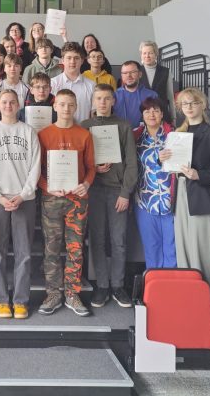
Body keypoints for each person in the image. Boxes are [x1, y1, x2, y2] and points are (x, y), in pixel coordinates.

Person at [0, 90, 41, 319]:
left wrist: (23, 195)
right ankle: (1, 300)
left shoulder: (28, 132)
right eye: (4, 102)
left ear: (18, 105)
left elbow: (35, 167)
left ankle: (21, 300)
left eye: (12, 102)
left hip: (24, 199)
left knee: (24, 252)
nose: (8, 105)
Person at [162, 88, 210, 285]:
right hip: (181, 194)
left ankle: (206, 291)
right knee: (183, 247)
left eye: (194, 102)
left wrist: (200, 175)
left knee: (201, 250)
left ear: (203, 105)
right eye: (185, 104)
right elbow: (172, 167)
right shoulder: (177, 134)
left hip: (203, 196)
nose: (189, 107)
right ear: (180, 108)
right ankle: (189, 291)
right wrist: (163, 159)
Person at [37, 90, 96, 317]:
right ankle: (53, 293)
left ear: (76, 107)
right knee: (51, 248)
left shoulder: (84, 135)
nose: (66, 109)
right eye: (62, 104)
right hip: (52, 199)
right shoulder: (44, 134)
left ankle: (72, 293)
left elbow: (91, 167)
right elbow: (37, 170)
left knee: (75, 248)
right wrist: (46, 187)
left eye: (70, 104)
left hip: (77, 201)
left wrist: (86, 184)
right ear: (54, 106)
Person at [81, 84, 137, 309]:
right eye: (98, 99)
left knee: (119, 240)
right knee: (97, 239)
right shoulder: (85, 126)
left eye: (106, 99)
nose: (102, 103)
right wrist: (93, 168)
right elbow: (80, 160)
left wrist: (125, 192)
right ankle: (102, 286)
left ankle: (118, 285)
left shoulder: (124, 126)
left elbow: (132, 162)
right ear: (93, 102)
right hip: (94, 190)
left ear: (113, 101)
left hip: (116, 191)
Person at [133, 97, 176, 269]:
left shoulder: (173, 135)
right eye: (147, 111)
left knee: (172, 247)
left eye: (156, 110)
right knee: (151, 247)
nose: (151, 114)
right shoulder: (135, 136)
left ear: (162, 114)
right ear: (142, 115)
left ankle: (172, 282)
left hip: (170, 200)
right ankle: (155, 283)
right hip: (144, 200)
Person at [50, 42, 94, 124]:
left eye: (76, 58)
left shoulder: (91, 86)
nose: (72, 61)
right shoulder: (52, 84)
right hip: (58, 130)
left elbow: (94, 114)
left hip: (83, 130)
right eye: (69, 58)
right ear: (62, 60)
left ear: (82, 61)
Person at [114, 60, 158, 129]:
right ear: (121, 76)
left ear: (140, 74)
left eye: (132, 72)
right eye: (125, 73)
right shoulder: (114, 95)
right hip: (120, 134)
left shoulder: (152, 95)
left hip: (144, 134)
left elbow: (157, 119)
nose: (129, 75)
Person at [139, 41, 176, 124]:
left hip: (162, 115)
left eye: (150, 53)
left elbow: (170, 96)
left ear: (156, 54)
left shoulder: (165, 71)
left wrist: (173, 117)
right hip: (143, 116)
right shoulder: (137, 71)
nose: (147, 56)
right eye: (144, 53)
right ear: (141, 55)